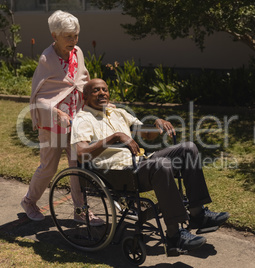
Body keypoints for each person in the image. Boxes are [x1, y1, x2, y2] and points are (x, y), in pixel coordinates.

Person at [71, 78, 230, 251]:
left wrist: (157, 123)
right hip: (115, 173)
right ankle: (174, 235)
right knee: (161, 165)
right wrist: (115, 137)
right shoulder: (83, 119)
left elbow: (146, 134)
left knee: (188, 149)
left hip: (138, 163)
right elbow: (81, 154)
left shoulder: (118, 113)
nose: (102, 93)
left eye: (105, 89)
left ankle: (198, 214)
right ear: (85, 97)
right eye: (96, 90)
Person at [21, 10, 103, 226]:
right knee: (48, 167)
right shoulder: (46, 59)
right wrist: (56, 112)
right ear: (54, 36)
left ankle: (80, 210)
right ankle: (29, 202)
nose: (73, 40)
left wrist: (97, 100)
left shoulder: (78, 52)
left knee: (78, 166)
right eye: (68, 36)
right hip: (53, 122)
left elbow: (82, 80)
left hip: (77, 119)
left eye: (75, 35)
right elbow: (39, 94)